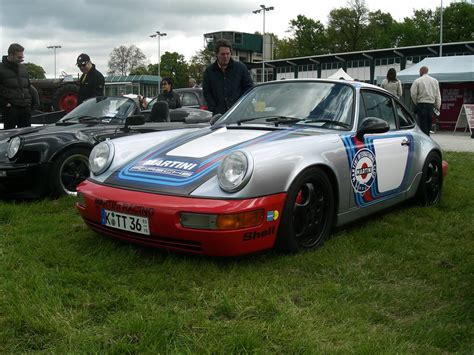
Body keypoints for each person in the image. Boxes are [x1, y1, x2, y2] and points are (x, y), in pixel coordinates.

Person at [202, 38, 253, 115]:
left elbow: (249, 88)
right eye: (222, 54)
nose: (225, 56)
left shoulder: (241, 68)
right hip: (218, 115)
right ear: (216, 54)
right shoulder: (209, 71)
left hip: (239, 113)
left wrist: (242, 105)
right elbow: (207, 92)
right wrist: (214, 108)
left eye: (227, 53)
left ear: (230, 53)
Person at [0, 43, 32, 129]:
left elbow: (28, 86)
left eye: (22, 57)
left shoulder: (23, 68)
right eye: (19, 57)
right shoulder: (1, 68)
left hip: (25, 108)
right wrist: (5, 104)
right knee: (10, 137)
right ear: (11, 55)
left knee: (27, 136)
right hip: (10, 109)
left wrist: (29, 102)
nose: (22, 59)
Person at [410, 66, 441, 136]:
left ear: (421, 72)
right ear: (427, 71)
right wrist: (438, 105)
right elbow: (437, 95)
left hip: (421, 104)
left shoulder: (417, 81)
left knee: (422, 123)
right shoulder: (435, 81)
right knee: (429, 123)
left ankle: (425, 137)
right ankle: (427, 136)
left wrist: (416, 102)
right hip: (431, 105)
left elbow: (413, 93)